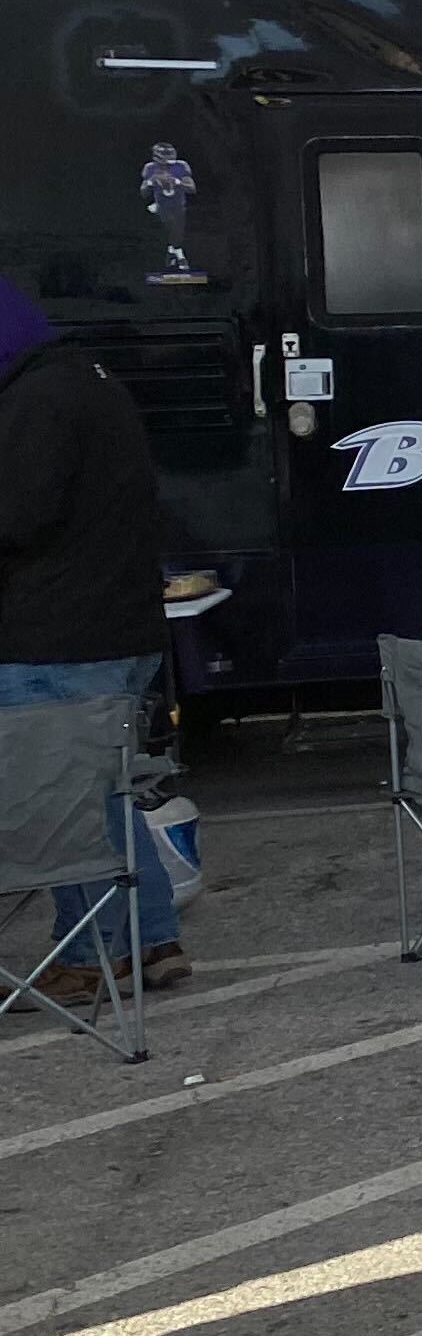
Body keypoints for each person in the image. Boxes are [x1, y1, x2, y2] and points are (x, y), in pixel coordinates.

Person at [0, 271, 178, 1007]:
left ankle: (104, 949)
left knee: (61, 798)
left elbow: (17, 516)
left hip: (57, 634)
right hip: (118, 620)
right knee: (100, 793)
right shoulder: (91, 382)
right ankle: (151, 936)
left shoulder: (34, 402)